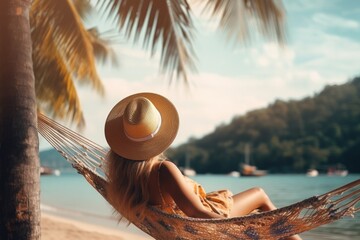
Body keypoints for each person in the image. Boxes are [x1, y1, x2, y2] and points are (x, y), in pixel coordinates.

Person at [105, 92, 302, 240]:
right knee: (260, 194)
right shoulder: (162, 170)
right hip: (196, 227)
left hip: (179, 228)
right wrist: (235, 229)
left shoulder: (121, 176)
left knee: (258, 215)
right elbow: (197, 213)